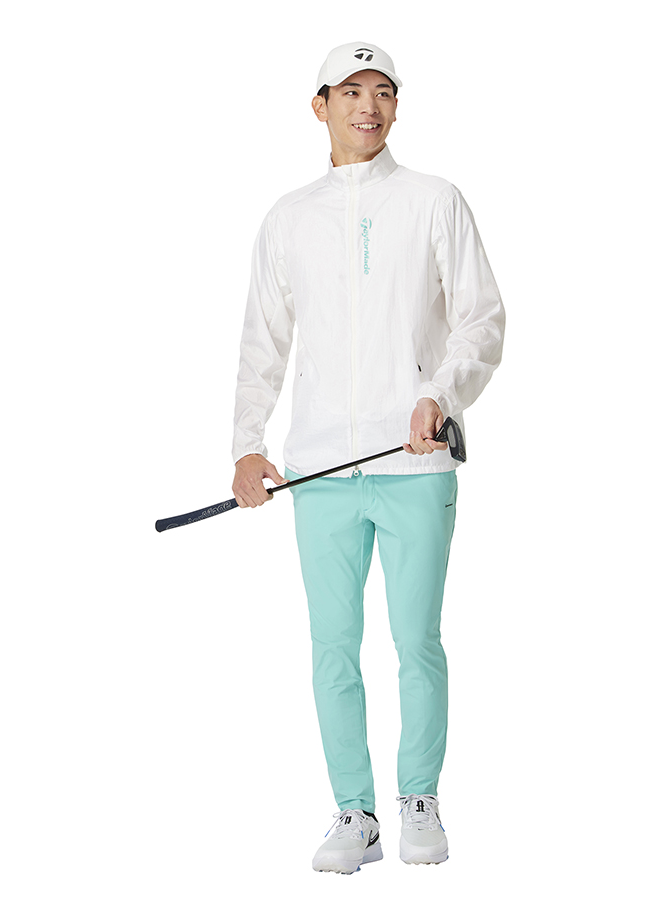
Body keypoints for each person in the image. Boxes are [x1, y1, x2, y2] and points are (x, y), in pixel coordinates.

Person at [230, 41, 505, 873]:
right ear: (319, 106)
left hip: (415, 464)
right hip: (320, 473)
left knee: (417, 640)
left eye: (383, 91)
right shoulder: (288, 218)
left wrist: (441, 395)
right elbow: (262, 344)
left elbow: (482, 318)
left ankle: (419, 798)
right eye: (351, 91)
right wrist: (247, 445)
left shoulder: (434, 200)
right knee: (332, 648)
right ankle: (355, 812)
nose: (369, 106)